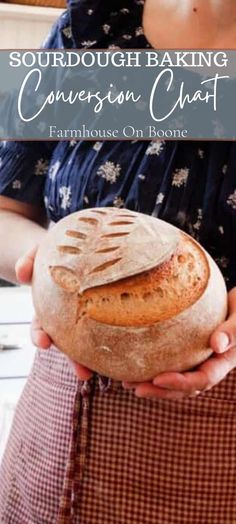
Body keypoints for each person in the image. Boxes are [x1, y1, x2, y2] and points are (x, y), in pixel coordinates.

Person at [0, 0, 236, 522]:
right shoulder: (96, 25)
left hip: (218, 453)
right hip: (53, 429)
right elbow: (6, 208)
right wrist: (45, 263)